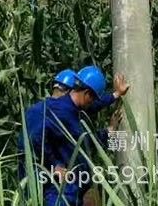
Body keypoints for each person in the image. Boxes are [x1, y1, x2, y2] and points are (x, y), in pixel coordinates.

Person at [19, 65, 128, 206]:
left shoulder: (74, 110)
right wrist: (54, 165)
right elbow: (35, 138)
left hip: (75, 190)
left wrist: (116, 95)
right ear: (87, 93)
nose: (93, 104)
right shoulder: (56, 111)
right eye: (93, 99)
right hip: (60, 194)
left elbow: (92, 114)